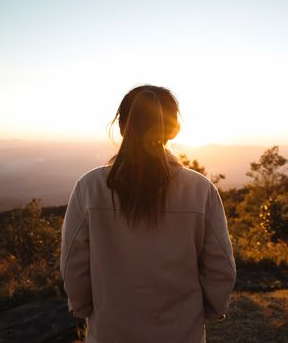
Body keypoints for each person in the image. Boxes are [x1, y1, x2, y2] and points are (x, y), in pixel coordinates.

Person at [60, 84, 236, 343]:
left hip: (110, 332)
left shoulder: (89, 188)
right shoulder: (200, 190)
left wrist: (84, 309)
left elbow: (72, 265)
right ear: (173, 130)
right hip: (181, 332)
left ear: (122, 127)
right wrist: (209, 310)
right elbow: (221, 267)